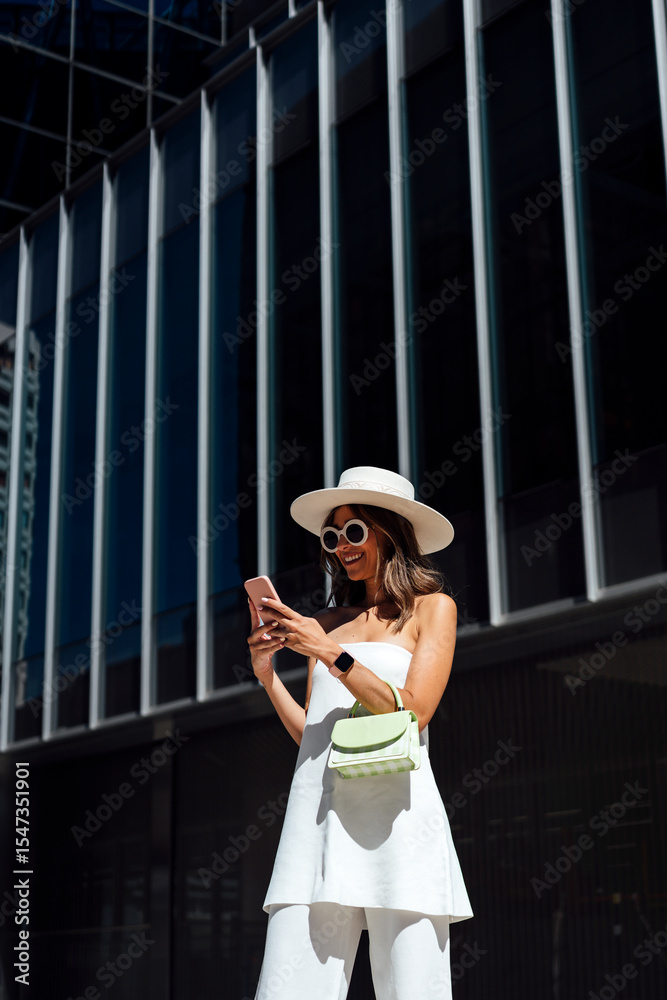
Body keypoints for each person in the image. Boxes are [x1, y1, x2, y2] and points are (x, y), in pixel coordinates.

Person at [247, 466, 473, 1000]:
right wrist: (267, 675)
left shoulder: (432, 609)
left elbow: (413, 712)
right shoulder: (325, 623)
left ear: (391, 531)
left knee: (413, 990)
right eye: (332, 536)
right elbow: (312, 734)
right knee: (288, 989)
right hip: (317, 820)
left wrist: (329, 653)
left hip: (400, 818)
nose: (342, 546)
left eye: (354, 530)